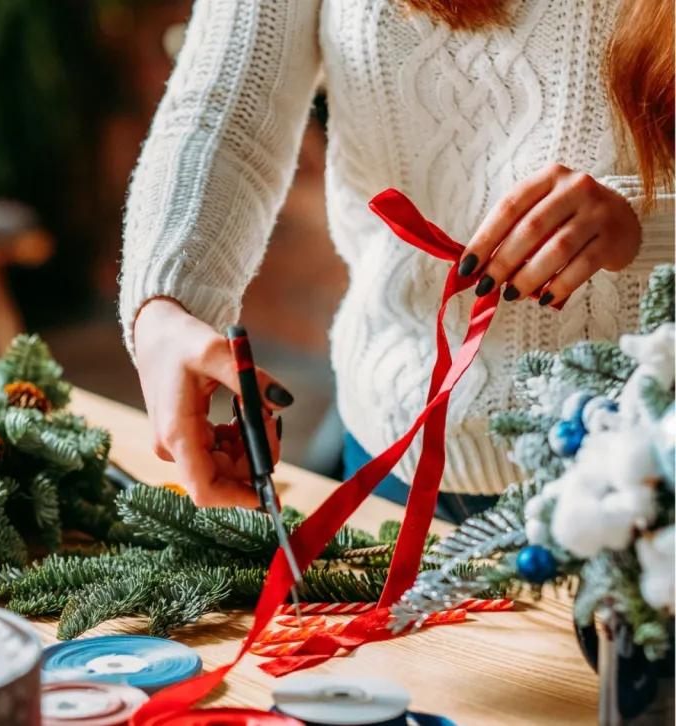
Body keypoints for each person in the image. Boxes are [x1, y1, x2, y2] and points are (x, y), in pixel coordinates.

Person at [119, 0, 675, 522]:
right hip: (391, 452)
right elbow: (224, 110)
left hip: (644, 460)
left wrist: (647, 227)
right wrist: (168, 304)